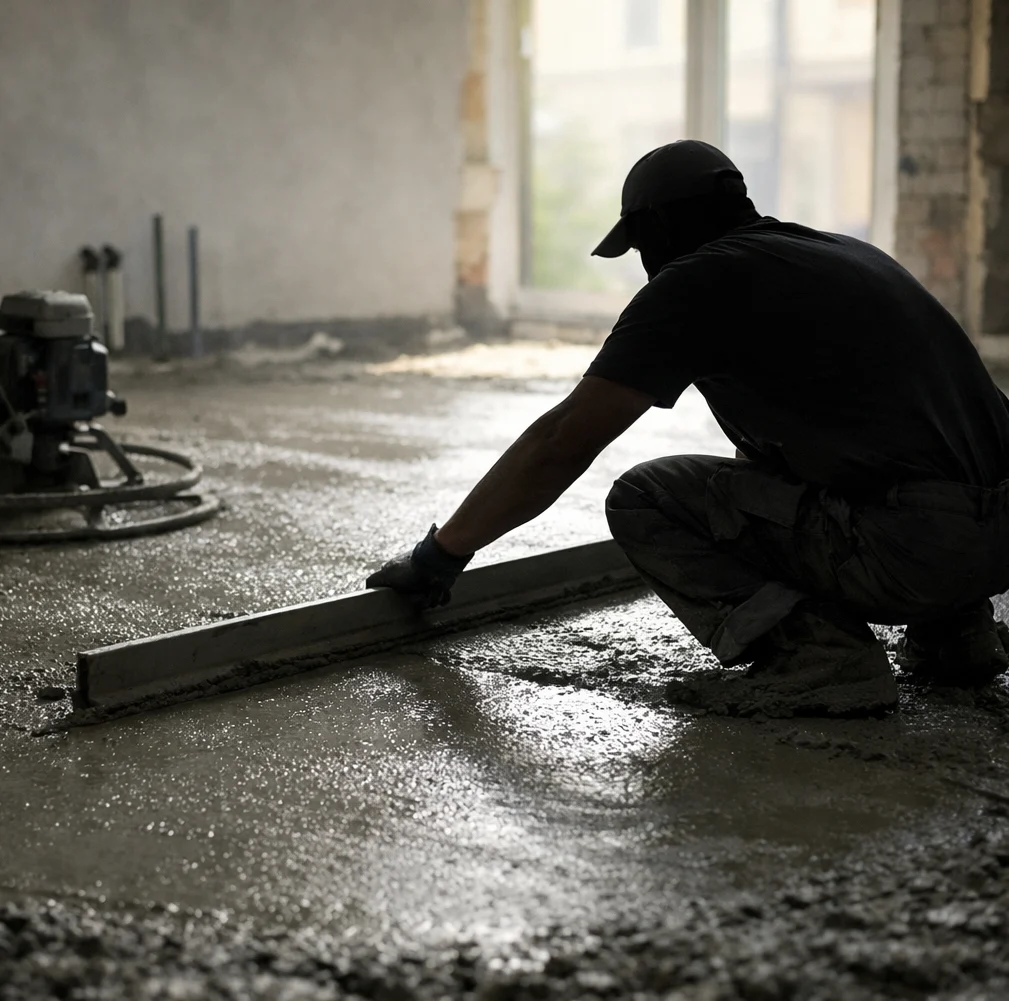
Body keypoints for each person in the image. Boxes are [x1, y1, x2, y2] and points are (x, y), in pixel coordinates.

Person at [367, 140, 1009, 717]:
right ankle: (958, 636)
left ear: (660, 228)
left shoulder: (699, 280)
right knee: (807, 459)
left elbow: (562, 440)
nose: (645, 265)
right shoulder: (839, 253)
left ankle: (819, 661)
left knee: (648, 497)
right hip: (994, 541)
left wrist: (441, 554)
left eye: (641, 247)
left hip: (915, 553)